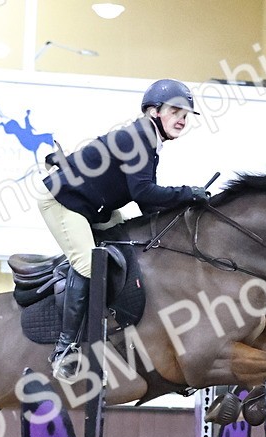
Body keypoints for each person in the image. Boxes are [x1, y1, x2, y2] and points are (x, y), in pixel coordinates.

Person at [39, 78, 209, 380]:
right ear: (154, 111)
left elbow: (145, 205)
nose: (182, 119)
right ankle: (64, 350)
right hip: (65, 202)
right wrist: (187, 194)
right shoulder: (138, 137)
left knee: (130, 248)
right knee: (91, 264)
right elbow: (144, 192)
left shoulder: (149, 140)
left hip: (95, 205)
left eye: (186, 115)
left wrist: (183, 216)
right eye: (175, 111)